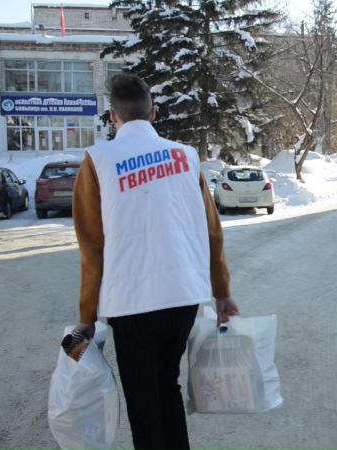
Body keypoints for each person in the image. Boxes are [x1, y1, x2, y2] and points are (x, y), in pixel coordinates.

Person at [71, 73, 239, 449]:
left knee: (143, 401)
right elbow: (212, 231)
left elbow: (92, 245)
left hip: (130, 304)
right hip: (182, 299)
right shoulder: (186, 156)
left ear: (112, 116)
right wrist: (222, 292)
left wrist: (86, 316)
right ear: (154, 112)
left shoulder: (98, 161)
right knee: (167, 386)